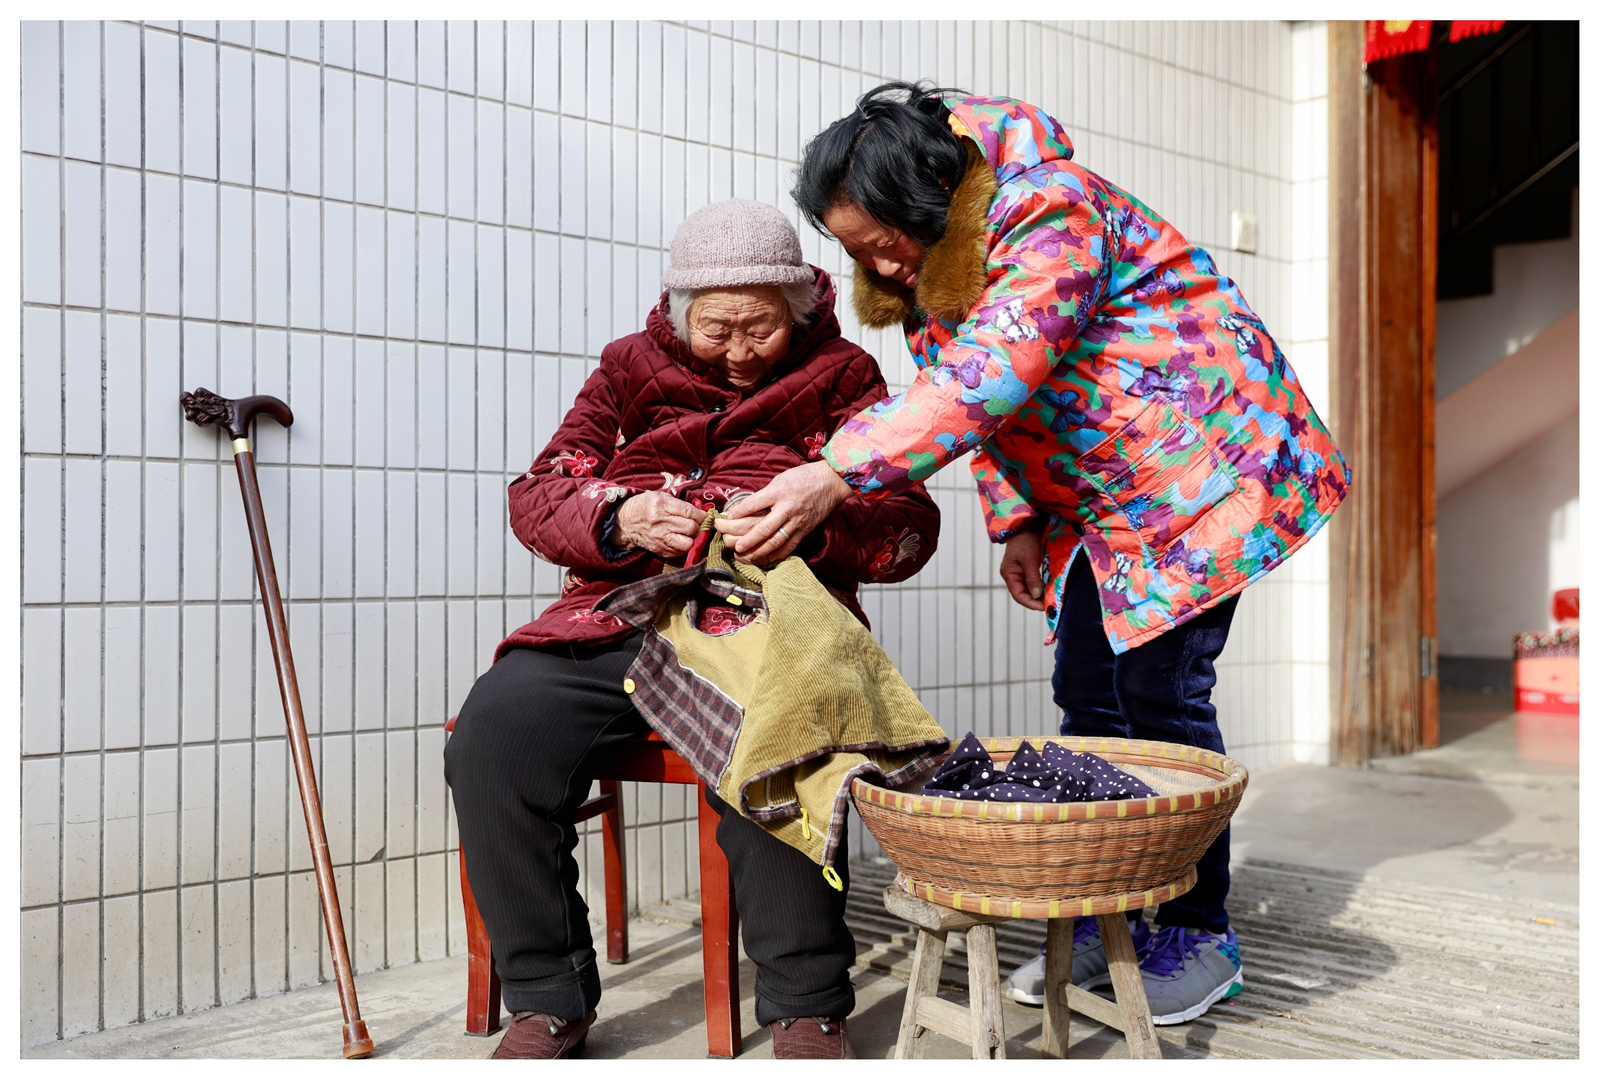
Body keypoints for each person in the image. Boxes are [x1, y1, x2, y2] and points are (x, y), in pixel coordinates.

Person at [718, 83, 1349, 1026]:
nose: (879, 263)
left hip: (1199, 472)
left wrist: (835, 471)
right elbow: (968, 390)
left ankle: (1198, 933)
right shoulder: (936, 266)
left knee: (1162, 696)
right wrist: (1016, 520)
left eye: (883, 238)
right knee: (1088, 697)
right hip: (1099, 504)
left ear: (929, 193)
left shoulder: (1052, 207)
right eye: (857, 251)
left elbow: (994, 373)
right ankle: (1110, 911)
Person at [443, 199, 940, 1059]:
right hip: (620, 610)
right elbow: (539, 494)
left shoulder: (843, 374)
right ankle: (548, 997)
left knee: (782, 734)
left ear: (799, 306)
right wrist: (620, 515)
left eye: (760, 328)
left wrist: (809, 525)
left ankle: (807, 1004)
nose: (739, 351)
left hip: (762, 616)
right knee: (496, 732)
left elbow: (907, 526)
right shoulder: (625, 367)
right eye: (717, 330)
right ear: (679, 313)